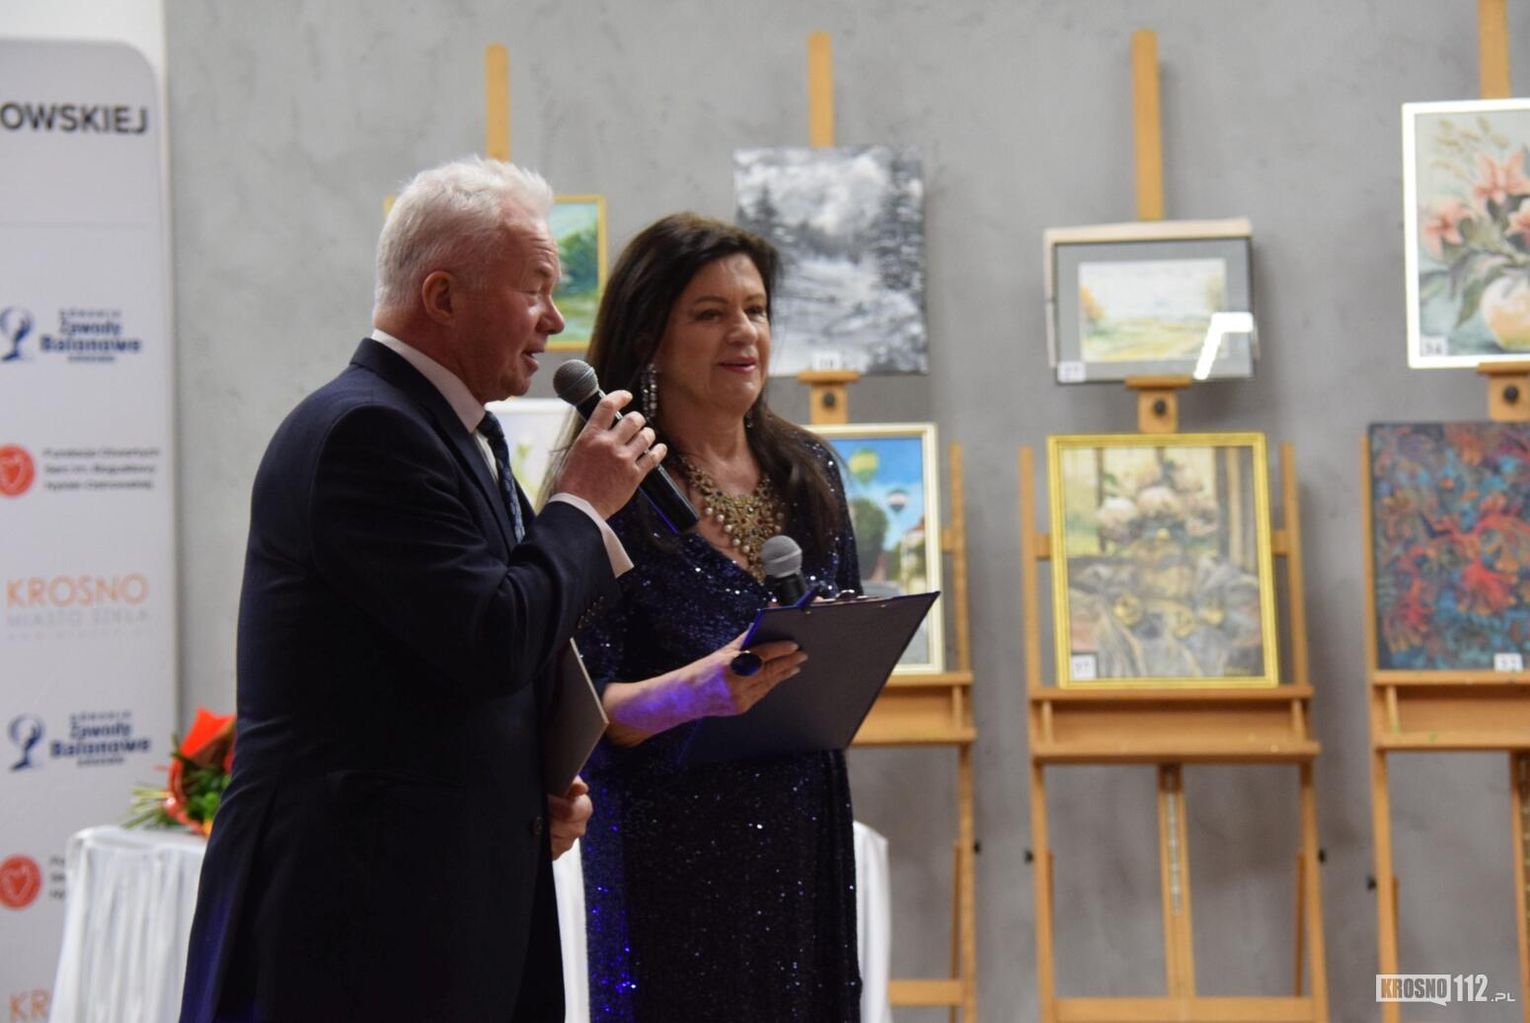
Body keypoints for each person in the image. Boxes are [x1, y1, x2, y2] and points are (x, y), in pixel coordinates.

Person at [178, 157, 665, 1023]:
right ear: (442, 296)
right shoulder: (366, 431)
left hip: (431, 906)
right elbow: (491, 637)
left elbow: (453, 664)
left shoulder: (458, 430)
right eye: (535, 289)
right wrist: (582, 506)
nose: (556, 320)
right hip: (350, 923)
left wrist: (527, 793)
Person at [567, 213, 863, 1021]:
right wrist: (697, 690)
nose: (744, 333)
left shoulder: (811, 469)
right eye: (710, 313)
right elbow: (578, 711)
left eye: (756, 310)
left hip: (804, 829)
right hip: (670, 852)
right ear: (650, 339)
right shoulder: (608, 487)